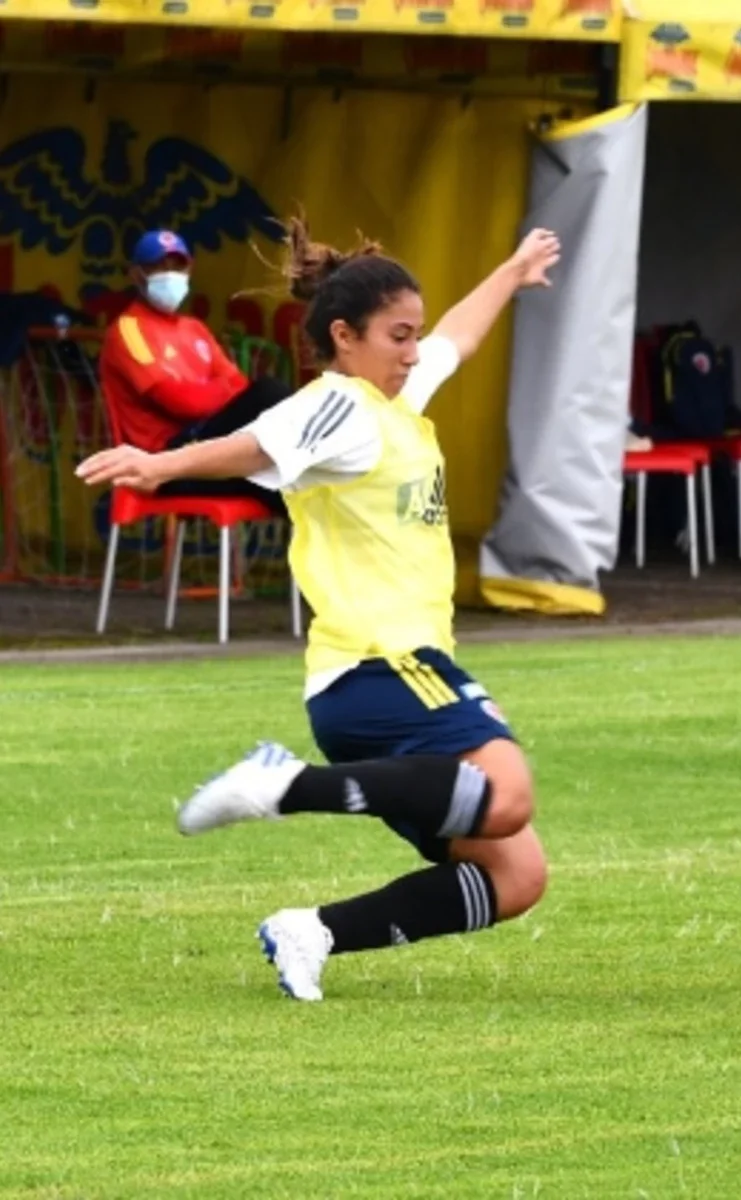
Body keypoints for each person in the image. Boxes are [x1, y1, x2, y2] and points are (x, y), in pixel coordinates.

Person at [77, 218, 562, 1002]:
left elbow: (455, 342)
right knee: (507, 793)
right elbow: (257, 442)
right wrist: (159, 465)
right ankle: (283, 784)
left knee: (516, 874)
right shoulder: (338, 405)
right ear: (345, 336)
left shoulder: (394, 396)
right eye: (398, 336)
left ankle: (313, 932)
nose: (414, 350)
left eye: (414, 335)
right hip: (380, 660)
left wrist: (510, 271)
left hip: (391, 670)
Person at [98, 229, 296, 512]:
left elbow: (236, 385)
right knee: (268, 392)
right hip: (165, 465)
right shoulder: (129, 329)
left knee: (300, 486)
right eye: (158, 266)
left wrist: (213, 393)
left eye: (177, 265)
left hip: (212, 453)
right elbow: (181, 402)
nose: (170, 273)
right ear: (136, 274)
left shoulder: (194, 329)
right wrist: (220, 390)